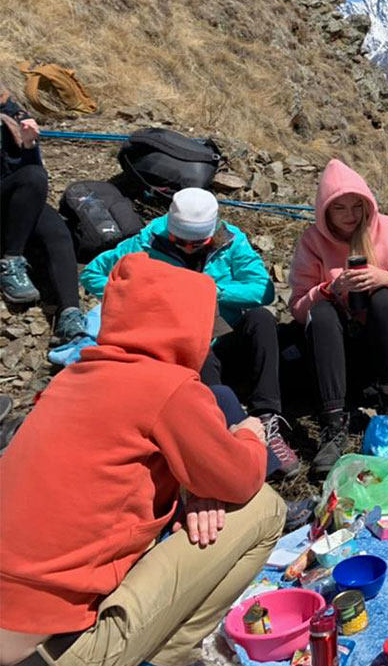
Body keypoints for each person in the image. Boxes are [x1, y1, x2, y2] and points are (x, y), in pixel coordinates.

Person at [0, 253, 285, 666]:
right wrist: (247, 435)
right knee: (263, 508)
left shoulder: (71, 380)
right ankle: (168, 658)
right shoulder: (167, 387)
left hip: (21, 635)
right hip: (57, 654)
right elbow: (240, 479)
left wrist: (197, 488)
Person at [81, 187, 299, 480]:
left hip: (227, 335)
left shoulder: (232, 241)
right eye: (178, 241)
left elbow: (263, 290)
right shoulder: (144, 244)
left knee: (261, 320)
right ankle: (223, 430)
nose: (186, 248)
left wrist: (210, 290)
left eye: (197, 243)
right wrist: (144, 298)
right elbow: (93, 274)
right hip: (184, 347)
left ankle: (267, 419)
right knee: (197, 347)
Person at [289, 159, 388, 475]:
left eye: (356, 206)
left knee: (385, 298)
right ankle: (333, 423)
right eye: (340, 208)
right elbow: (297, 308)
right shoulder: (313, 241)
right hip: (339, 348)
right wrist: (329, 288)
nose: (350, 215)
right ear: (325, 211)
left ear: (367, 205)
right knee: (321, 312)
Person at [0, 89, 87, 343]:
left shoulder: (14, 114)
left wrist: (29, 145)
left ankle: (70, 313)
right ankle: (10, 260)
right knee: (33, 179)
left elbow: (31, 174)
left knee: (56, 230)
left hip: (11, 201)